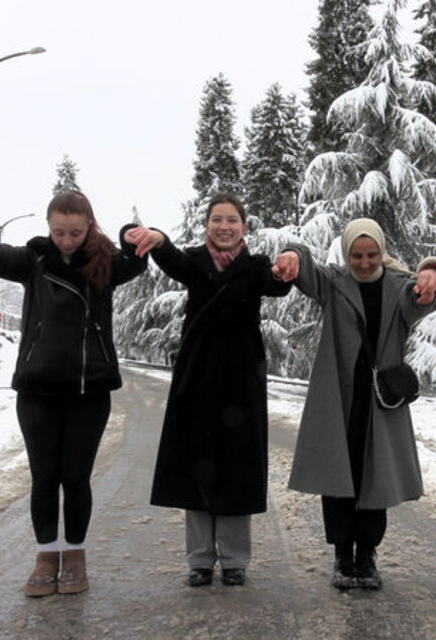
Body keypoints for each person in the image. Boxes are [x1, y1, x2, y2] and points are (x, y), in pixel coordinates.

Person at [272, 218, 436, 590]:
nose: (365, 262)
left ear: (381, 252)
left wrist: (431, 279)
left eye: (371, 255)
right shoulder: (334, 283)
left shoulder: (400, 287)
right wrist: (292, 255)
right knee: (338, 476)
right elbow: (305, 267)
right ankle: (342, 555)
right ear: (347, 252)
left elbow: (424, 298)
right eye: (357, 255)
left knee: (375, 478)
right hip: (338, 397)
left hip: (379, 401)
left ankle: (367, 555)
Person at [0, 190, 148, 597]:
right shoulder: (33, 260)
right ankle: (45, 556)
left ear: (90, 225)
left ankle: (74, 554)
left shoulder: (105, 264)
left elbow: (141, 257)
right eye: (58, 232)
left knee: (76, 477)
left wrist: (132, 232)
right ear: (48, 227)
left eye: (75, 232)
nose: (66, 240)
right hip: (37, 390)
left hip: (88, 390)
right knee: (44, 477)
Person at [125, 193, 290, 587]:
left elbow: (279, 285)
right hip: (197, 375)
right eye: (217, 219)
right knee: (196, 464)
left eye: (232, 220)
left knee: (237, 465)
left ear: (244, 227)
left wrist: (292, 262)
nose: (224, 226)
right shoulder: (195, 261)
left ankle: (234, 560)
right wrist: (158, 238)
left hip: (241, 377)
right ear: (207, 225)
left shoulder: (256, 266)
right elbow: (168, 256)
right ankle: (199, 559)